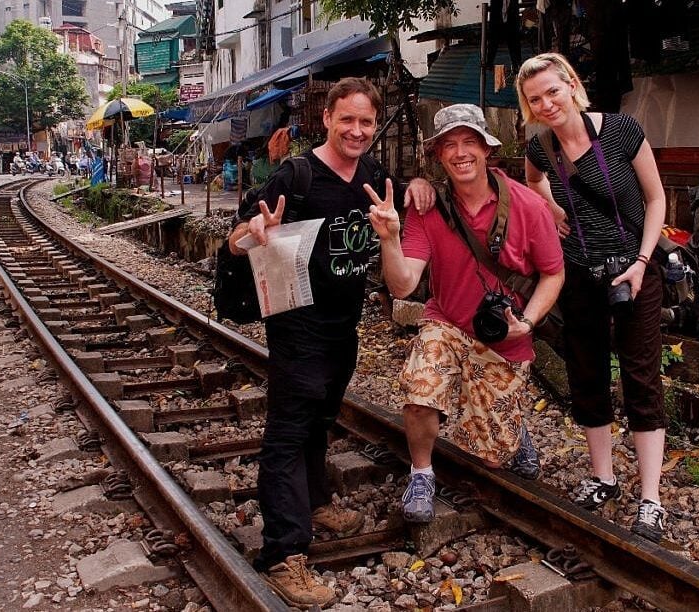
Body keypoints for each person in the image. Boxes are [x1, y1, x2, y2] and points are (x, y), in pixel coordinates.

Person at [226, 77, 434, 608]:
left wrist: (421, 185)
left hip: (344, 327)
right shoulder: (295, 175)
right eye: (348, 120)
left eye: (366, 121)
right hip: (296, 325)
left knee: (322, 418)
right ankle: (283, 553)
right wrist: (255, 232)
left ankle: (316, 501)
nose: (357, 130)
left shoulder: (373, 177)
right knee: (288, 433)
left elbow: (399, 217)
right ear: (327, 118)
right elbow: (236, 236)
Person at [367, 104, 565, 524]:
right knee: (420, 395)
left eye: (469, 142)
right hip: (447, 322)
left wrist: (526, 323)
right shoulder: (428, 207)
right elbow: (403, 286)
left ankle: (512, 429)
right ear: (438, 155)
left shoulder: (529, 207)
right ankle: (421, 473)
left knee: (492, 457)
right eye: (449, 145)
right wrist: (391, 239)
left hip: (505, 338)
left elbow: (554, 273)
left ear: (487, 150)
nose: (460, 153)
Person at [516, 53, 668, 542]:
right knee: (587, 371)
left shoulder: (621, 131)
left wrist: (643, 263)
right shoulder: (541, 148)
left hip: (634, 271)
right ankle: (603, 476)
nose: (546, 104)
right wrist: (552, 208)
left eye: (552, 92)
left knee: (641, 375)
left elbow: (656, 199)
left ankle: (651, 499)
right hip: (580, 273)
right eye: (535, 99)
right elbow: (532, 184)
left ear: (571, 85)